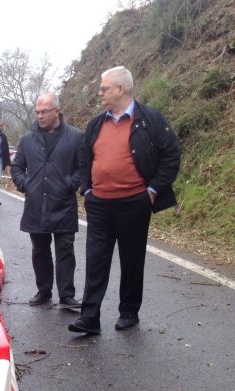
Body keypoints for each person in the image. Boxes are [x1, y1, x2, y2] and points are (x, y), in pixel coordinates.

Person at [69, 66, 181, 335]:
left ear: (121, 89)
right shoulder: (96, 123)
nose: (100, 93)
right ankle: (89, 317)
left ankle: (128, 311)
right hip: (99, 204)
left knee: (132, 259)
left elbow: (171, 156)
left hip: (135, 203)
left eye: (104, 88)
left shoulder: (150, 120)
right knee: (96, 259)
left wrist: (152, 190)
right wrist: (87, 190)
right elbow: (84, 157)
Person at [11, 93, 83, 309]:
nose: (40, 116)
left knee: (65, 249)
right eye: (37, 112)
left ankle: (66, 295)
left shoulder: (76, 137)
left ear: (57, 111)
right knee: (39, 249)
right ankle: (43, 290)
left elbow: (83, 167)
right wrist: (26, 185)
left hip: (64, 203)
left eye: (45, 111)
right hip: (36, 204)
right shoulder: (27, 139)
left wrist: (71, 184)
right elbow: (16, 167)